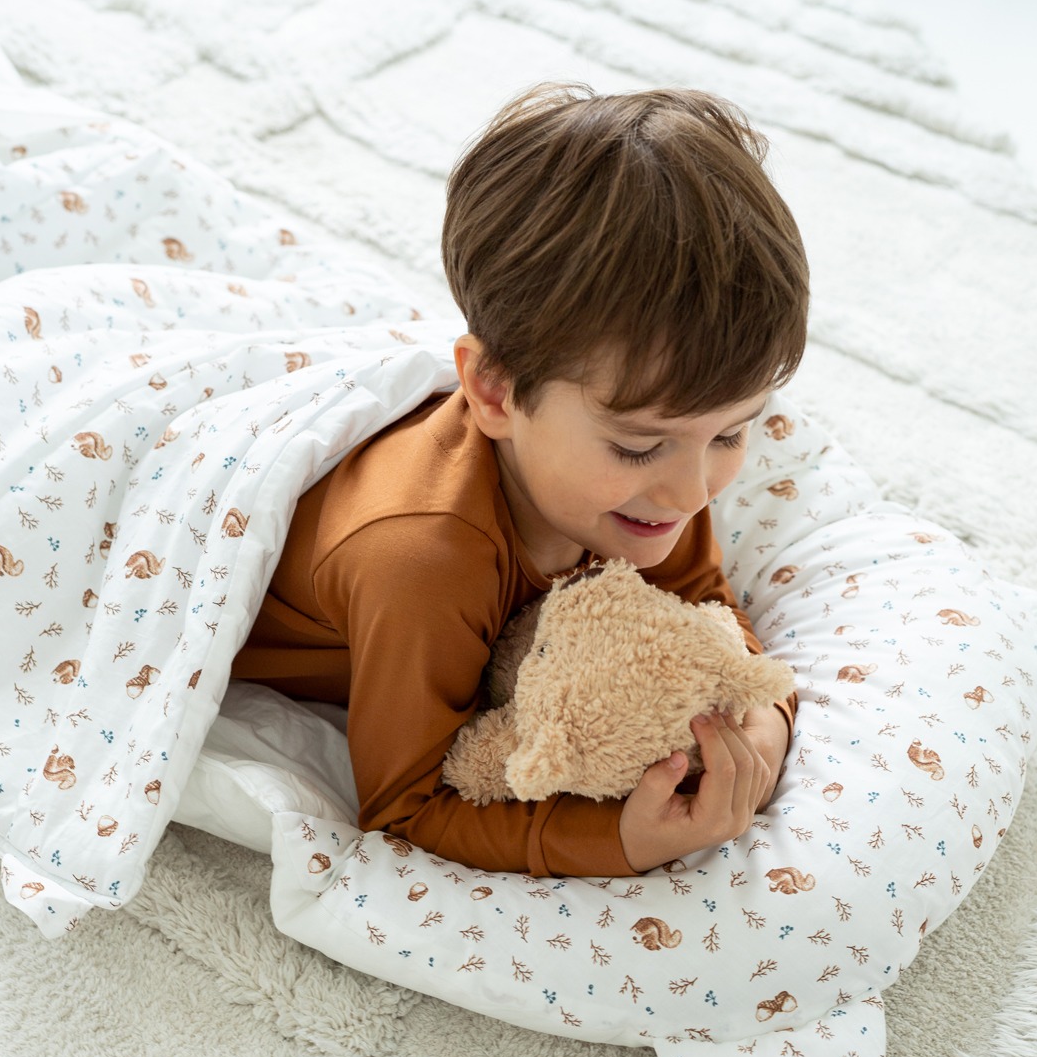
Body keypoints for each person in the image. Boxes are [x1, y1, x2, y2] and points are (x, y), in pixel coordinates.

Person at [230, 82, 809, 878]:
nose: (691, 491)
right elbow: (405, 809)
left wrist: (766, 724)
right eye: (640, 445)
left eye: (732, 433)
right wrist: (623, 844)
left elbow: (702, 603)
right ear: (496, 391)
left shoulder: (653, 483)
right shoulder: (421, 562)